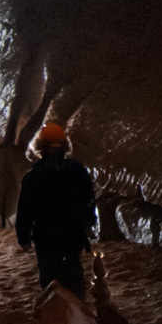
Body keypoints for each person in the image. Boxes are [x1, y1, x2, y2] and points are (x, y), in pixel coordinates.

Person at [14, 122, 98, 296]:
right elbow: (89, 199)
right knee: (74, 275)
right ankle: (77, 309)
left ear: (40, 147)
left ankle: (57, 310)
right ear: (65, 145)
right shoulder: (77, 169)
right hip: (72, 233)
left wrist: (23, 237)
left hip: (46, 236)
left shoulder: (33, 175)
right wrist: (89, 223)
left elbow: (25, 210)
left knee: (50, 281)